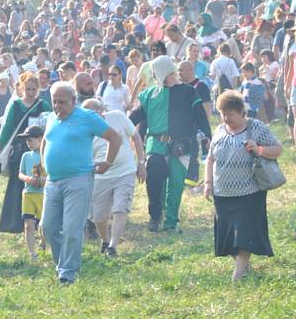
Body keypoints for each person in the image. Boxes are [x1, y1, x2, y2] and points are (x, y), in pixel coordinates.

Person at [41, 81, 121, 284]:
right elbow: (45, 140)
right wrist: (44, 164)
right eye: (54, 102)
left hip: (78, 179)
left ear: (74, 101)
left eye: (62, 102)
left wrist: (108, 162)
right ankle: (63, 262)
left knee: (71, 228)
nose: (58, 106)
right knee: (48, 227)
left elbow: (114, 137)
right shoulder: (51, 118)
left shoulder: (86, 117)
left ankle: (68, 271)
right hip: (52, 180)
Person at [204, 91, 282, 281]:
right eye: (223, 113)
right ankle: (244, 267)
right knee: (229, 237)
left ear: (241, 112)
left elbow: (278, 149)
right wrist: (208, 183)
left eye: (230, 114)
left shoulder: (256, 127)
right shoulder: (220, 130)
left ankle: (237, 275)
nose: (225, 118)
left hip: (249, 192)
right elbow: (210, 158)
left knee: (245, 235)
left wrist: (259, 149)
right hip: (222, 193)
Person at [130, 56, 212, 232]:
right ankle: (154, 216)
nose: (152, 74)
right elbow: (134, 119)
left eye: (153, 71)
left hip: (181, 145)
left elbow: (200, 116)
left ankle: (171, 222)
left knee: (175, 186)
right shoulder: (149, 94)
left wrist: (208, 137)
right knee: (155, 183)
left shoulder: (189, 92)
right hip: (156, 145)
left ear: (162, 71)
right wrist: (117, 124)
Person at [82, 99, 146, 256]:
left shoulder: (117, 116)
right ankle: (105, 240)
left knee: (120, 207)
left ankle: (113, 246)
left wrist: (141, 163)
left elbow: (136, 137)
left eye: (91, 113)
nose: (88, 117)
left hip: (125, 171)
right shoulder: (84, 130)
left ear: (100, 110)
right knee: (99, 216)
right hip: (100, 177)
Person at [0, 73, 51, 234]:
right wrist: (1, 146)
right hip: (20, 150)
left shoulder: (44, 105)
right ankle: (14, 222)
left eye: (34, 89)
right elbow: (7, 128)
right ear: (22, 88)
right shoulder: (15, 106)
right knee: (17, 184)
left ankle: (39, 220)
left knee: (38, 183)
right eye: (28, 89)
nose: (31, 92)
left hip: (39, 151)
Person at [17, 125, 46, 260]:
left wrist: (42, 180)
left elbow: (51, 175)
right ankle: (32, 253)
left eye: (30, 140)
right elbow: (20, 174)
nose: (28, 143)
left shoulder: (46, 155)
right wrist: (28, 179)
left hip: (43, 194)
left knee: (43, 224)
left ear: (40, 139)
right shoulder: (26, 155)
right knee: (28, 224)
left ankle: (44, 243)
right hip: (28, 194)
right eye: (26, 140)